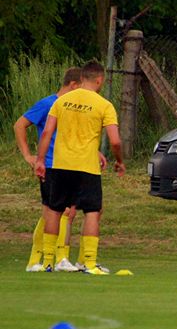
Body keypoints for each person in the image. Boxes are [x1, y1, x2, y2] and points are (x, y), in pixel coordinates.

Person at [34, 61, 126, 275]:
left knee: (55, 211)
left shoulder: (62, 101)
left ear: (81, 78)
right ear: (99, 80)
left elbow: (47, 133)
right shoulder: (104, 105)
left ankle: (48, 262)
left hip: (60, 165)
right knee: (92, 212)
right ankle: (89, 263)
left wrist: (40, 159)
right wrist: (119, 161)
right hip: (86, 167)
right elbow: (115, 141)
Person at [15, 68, 81, 272]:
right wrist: (28, 156)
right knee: (54, 212)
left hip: (69, 164)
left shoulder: (73, 107)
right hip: (51, 165)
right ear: (73, 85)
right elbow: (19, 125)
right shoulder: (47, 103)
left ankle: (56, 258)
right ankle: (41, 259)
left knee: (67, 213)